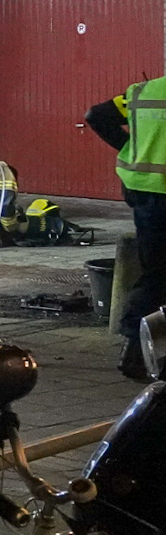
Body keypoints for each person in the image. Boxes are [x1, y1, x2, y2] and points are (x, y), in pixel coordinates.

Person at [85, 80, 166, 379]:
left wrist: (130, 148)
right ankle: (143, 349)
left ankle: (135, 350)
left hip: (145, 193)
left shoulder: (144, 91)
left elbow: (95, 115)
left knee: (155, 272)